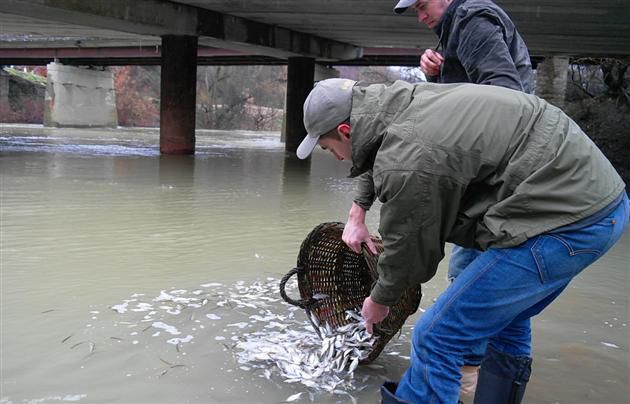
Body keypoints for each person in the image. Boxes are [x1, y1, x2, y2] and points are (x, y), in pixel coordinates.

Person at [296, 78, 628, 404]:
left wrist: (379, 300)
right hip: (593, 197)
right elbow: (375, 148)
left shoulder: (408, 162)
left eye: (329, 149)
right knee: (503, 317)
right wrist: (359, 209)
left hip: (565, 219)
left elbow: (412, 253)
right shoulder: (402, 102)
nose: (337, 158)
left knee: (436, 336)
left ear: (345, 131)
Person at [345, 1, 535, 393]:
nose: (420, 16)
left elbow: (506, 100)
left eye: (421, 5)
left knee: (450, 315)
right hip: (510, 183)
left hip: (502, 185)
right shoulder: (455, 33)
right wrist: (438, 78)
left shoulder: (473, 21)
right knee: (507, 308)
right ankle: (485, 386)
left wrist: (382, 296)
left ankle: (465, 376)